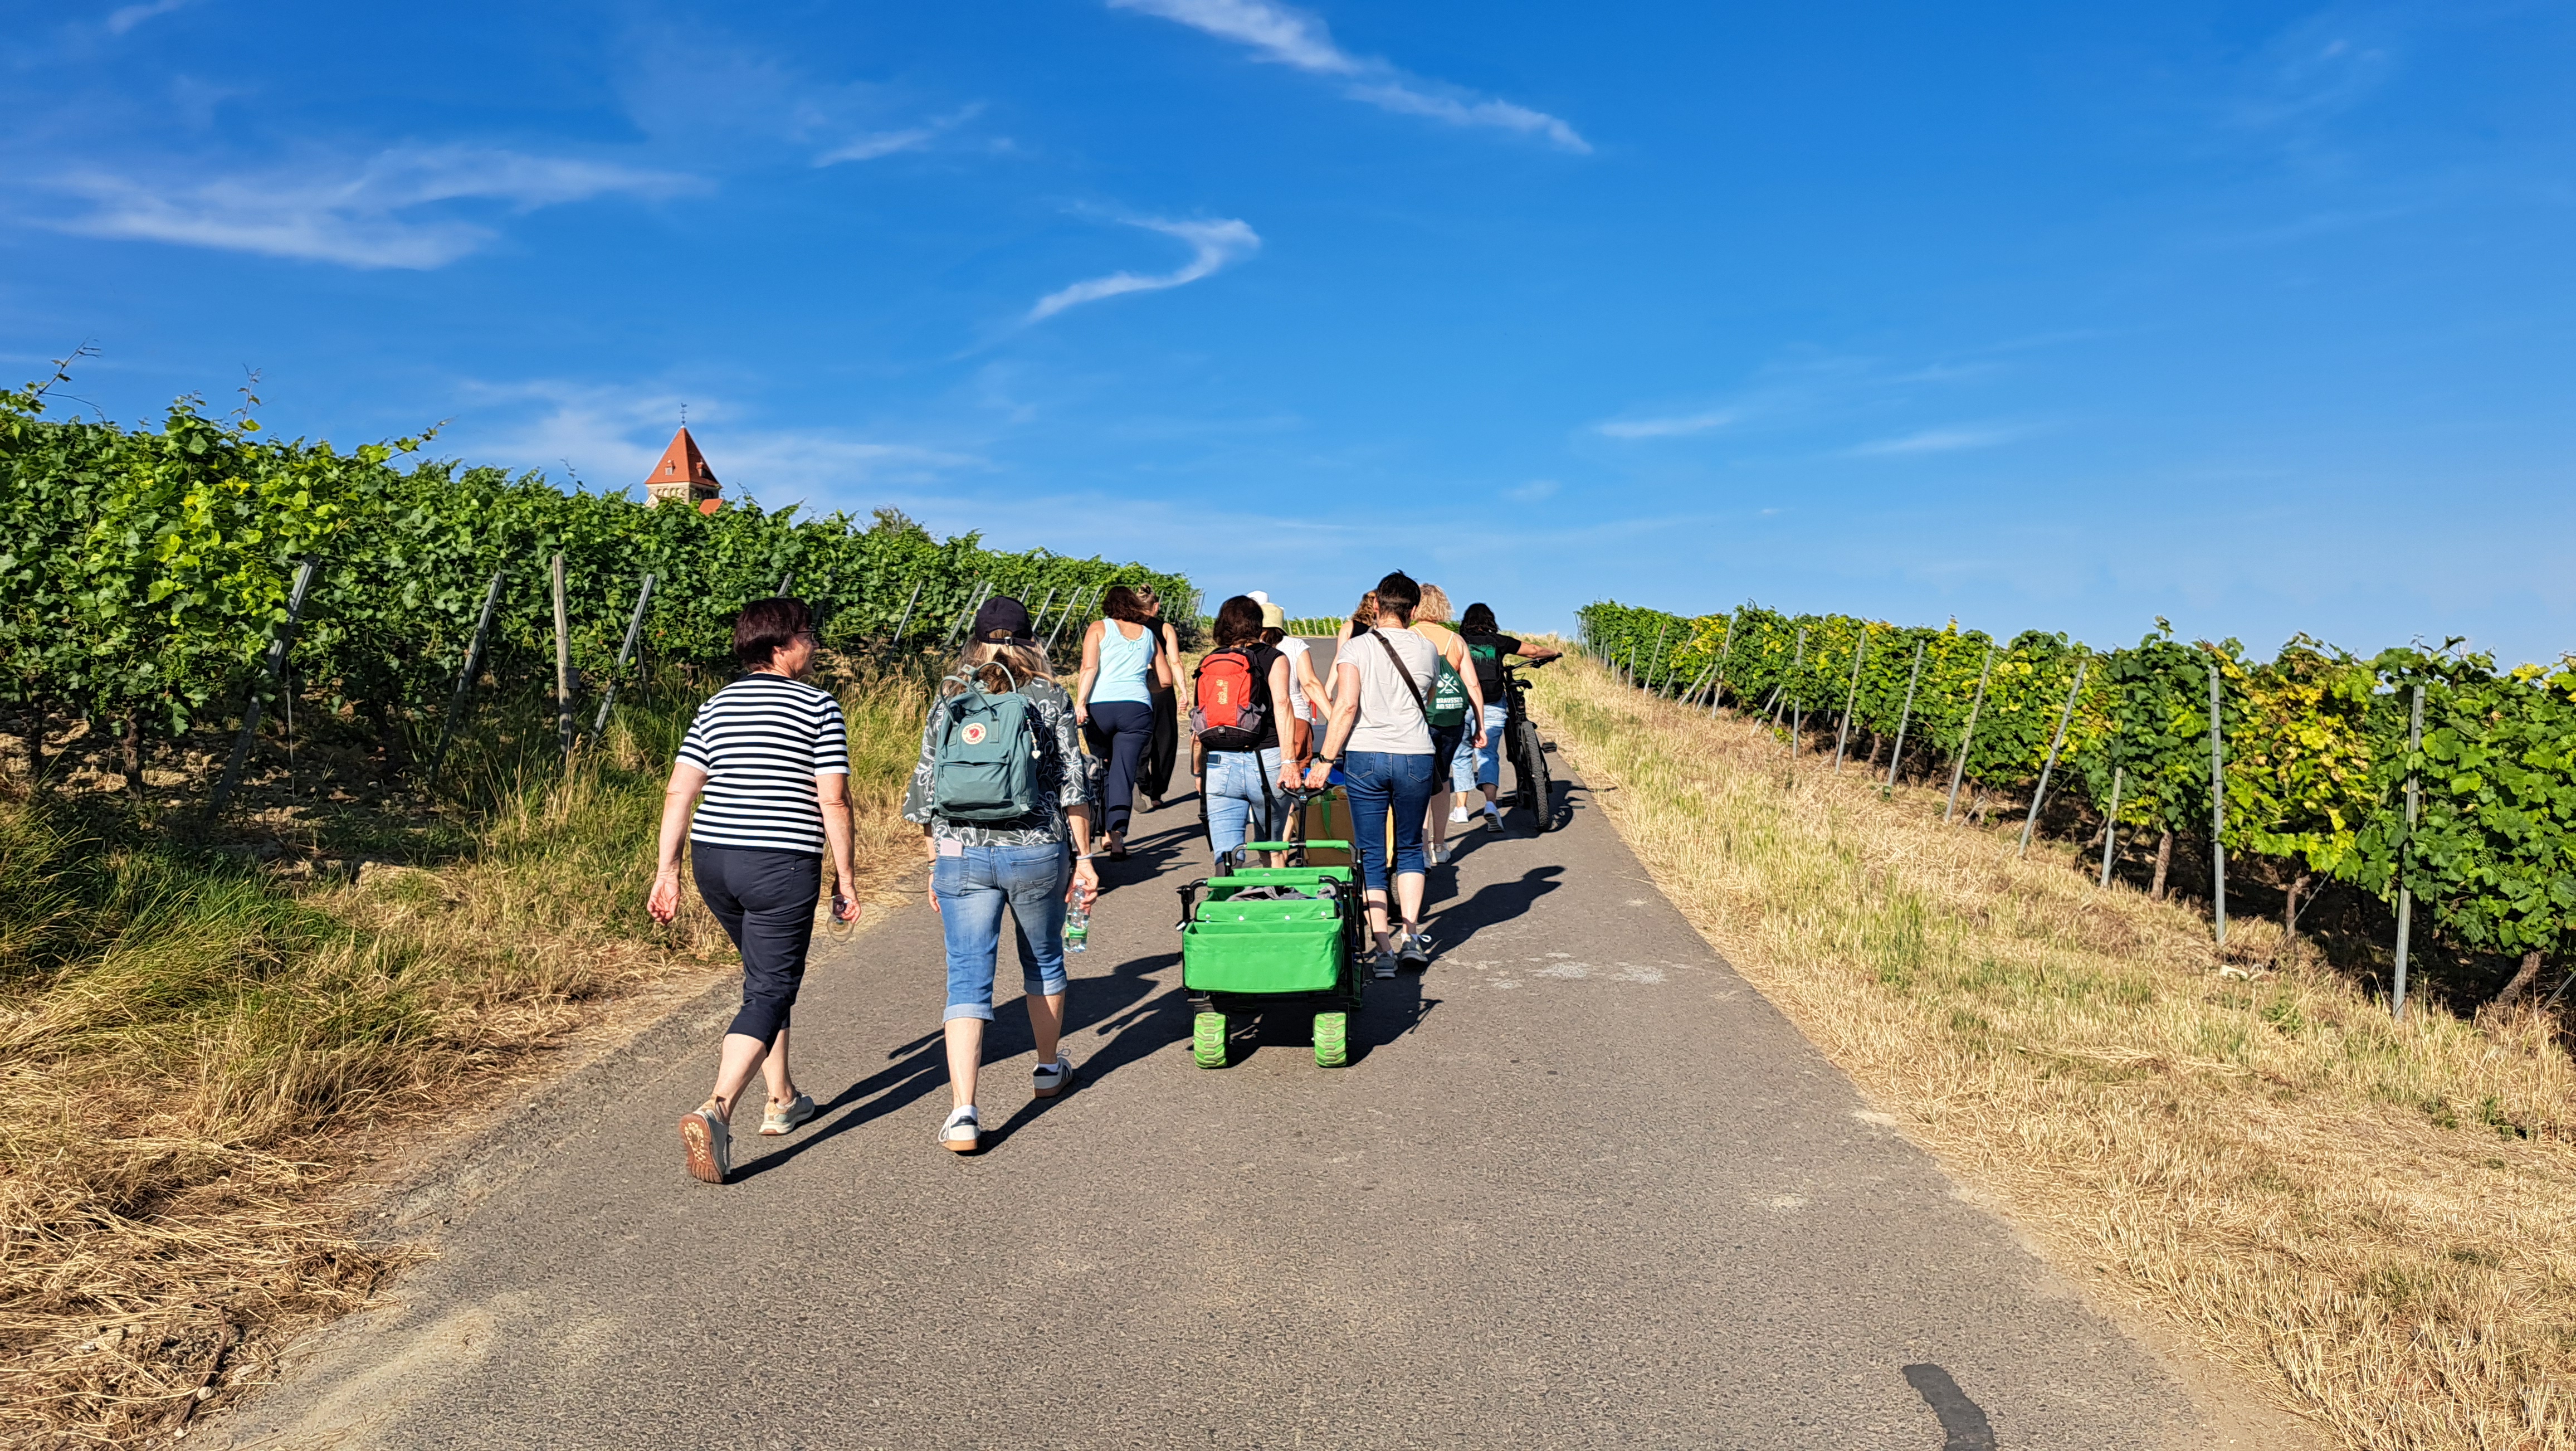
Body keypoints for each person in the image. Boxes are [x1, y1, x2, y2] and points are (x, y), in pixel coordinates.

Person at [649, 597, 862, 1185]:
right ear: (779, 646)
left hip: (714, 859)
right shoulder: (818, 705)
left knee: (764, 976)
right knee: (772, 984)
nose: (814, 645)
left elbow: (680, 791)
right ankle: (717, 1108)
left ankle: (782, 1098)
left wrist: (667, 871)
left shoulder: (716, 705)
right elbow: (832, 798)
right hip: (780, 862)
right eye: (806, 635)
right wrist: (846, 877)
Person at [901, 597, 1099, 1155]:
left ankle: (963, 1112)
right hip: (1035, 849)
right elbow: (1073, 784)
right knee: (1044, 960)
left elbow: (926, 789)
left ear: (976, 641)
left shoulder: (950, 695)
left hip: (960, 852)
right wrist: (1085, 858)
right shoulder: (1049, 696)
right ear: (1031, 641)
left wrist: (936, 861)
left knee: (967, 979)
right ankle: (1047, 1068)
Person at [1304, 572, 1444, 977]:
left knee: (1370, 853)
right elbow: (1429, 699)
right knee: (1410, 847)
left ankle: (1382, 949)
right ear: (1414, 610)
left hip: (1366, 754)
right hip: (1415, 754)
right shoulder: (1428, 648)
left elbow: (1346, 706)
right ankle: (1411, 936)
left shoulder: (1357, 647)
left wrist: (1325, 760)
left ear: (1378, 606)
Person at [1194, 595, 1300, 866]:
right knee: (1272, 847)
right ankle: (1274, 889)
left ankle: (1228, 888)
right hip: (1267, 761)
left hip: (1219, 762)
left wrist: (1198, 771)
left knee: (1226, 853)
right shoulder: (1275, 658)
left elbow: (1201, 718)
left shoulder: (1210, 662)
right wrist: (1289, 762)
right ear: (1258, 625)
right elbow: (1283, 705)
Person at [1075, 585, 1172, 859]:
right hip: (1136, 709)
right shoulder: (1149, 635)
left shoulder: (1098, 628)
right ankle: (1116, 837)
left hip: (1100, 707)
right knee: (1124, 773)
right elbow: (1166, 680)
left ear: (1108, 606)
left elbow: (1089, 668)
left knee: (1102, 768)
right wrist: (1142, 690)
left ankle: (1099, 833)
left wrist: (1080, 702)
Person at [1455, 602, 1563, 829]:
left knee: (1461, 755)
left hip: (1463, 704)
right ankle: (1491, 805)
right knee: (1487, 755)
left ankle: (1461, 809)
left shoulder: (1458, 640)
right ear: (1490, 621)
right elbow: (1532, 651)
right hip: (1492, 704)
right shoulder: (1497, 641)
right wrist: (1553, 653)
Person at [1406, 584, 1486, 866]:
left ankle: (1420, 848)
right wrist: (1480, 725)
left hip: (1420, 720)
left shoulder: (1410, 636)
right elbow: (1473, 685)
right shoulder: (1456, 640)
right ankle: (1439, 844)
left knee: (1419, 783)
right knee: (1442, 780)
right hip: (1452, 720)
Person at [1136, 587, 1183, 812]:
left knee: (1138, 735)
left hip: (1135, 682)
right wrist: (1184, 690)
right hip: (1160, 682)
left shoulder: (1127, 627)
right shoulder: (1165, 628)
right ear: (1156, 606)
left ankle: (1139, 780)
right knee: (1165, 739)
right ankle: (1157, 792)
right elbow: (1175, 661)